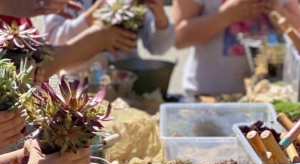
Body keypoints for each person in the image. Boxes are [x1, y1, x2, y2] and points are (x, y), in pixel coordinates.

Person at [172, 0, 300, 99]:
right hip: (208, 97)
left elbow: (297, 29)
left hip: (270, 98)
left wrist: (278, 12)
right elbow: (177, 38)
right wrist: (227, 15)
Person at [43, 0, 175, 74]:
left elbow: (159, 48)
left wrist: (160, 17)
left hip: (126, 82)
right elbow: (53, 42)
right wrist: (90, 18)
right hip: (79, 85)